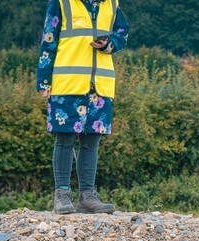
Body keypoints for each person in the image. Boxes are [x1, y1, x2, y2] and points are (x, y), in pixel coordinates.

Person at [36, 0, 130, 214]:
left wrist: (109, 43)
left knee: (92, 141)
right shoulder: (61, 2)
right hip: (67, 83)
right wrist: (43, 80)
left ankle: (87, 196)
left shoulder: (112, 4)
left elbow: (123, 32)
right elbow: (48, 40)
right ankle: (61, 195)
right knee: (65, 138)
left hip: (100, 86)